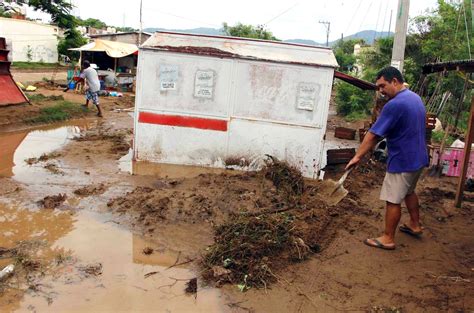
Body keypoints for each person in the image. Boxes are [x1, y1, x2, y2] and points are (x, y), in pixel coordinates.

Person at [345, 66, 429, 250]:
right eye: (378, 87)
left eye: (383, 86)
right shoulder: (414, 98)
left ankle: (388, 238)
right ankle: (415, 224)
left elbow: (373, 135)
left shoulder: (395, 104)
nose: (381, 91)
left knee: (392, 198)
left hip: (403, 160)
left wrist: (357, 157)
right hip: (419, 158)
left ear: (395, 81)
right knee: (409, 191)